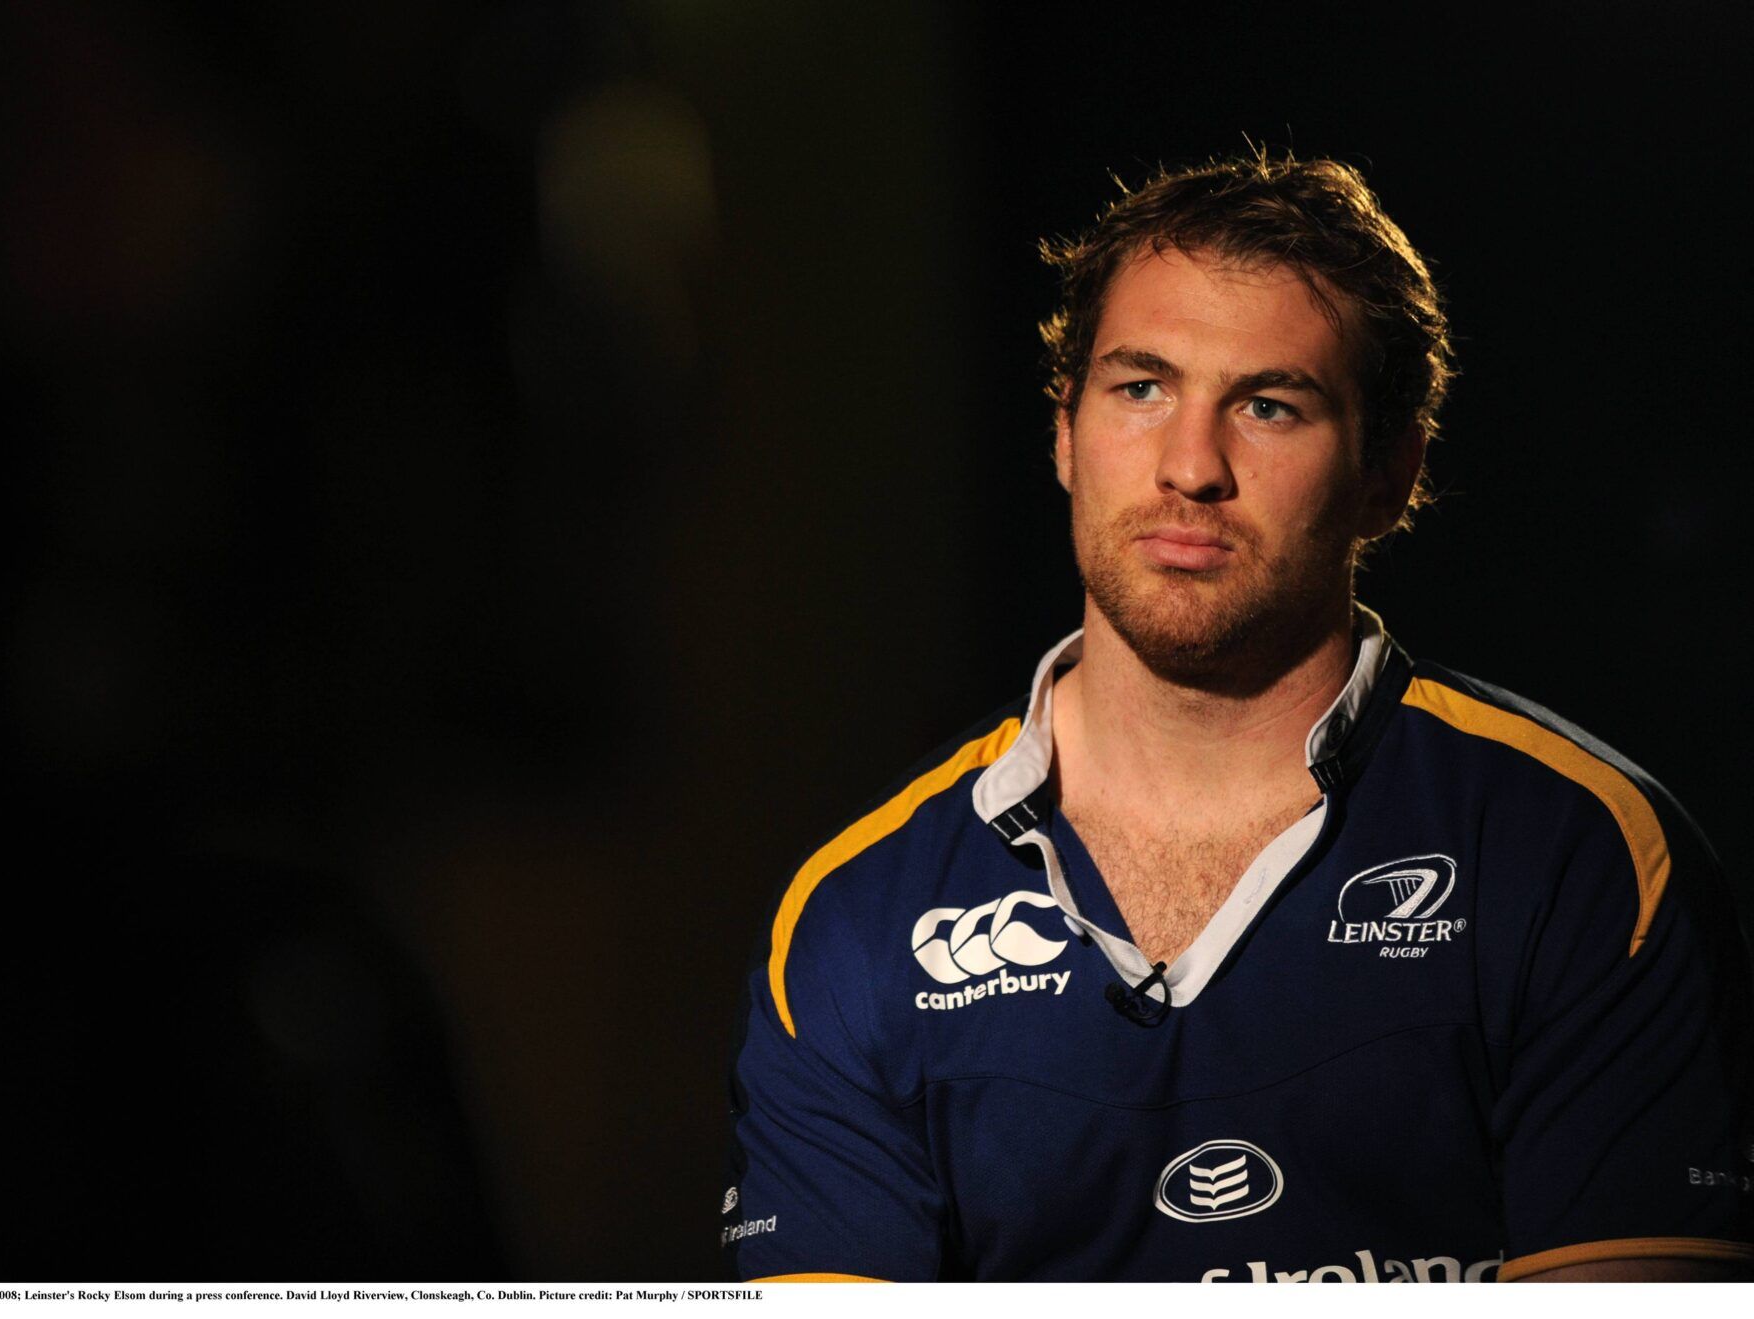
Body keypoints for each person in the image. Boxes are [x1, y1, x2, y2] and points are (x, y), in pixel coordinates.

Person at [719, 153, 1754, 1282]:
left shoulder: (1578, 853)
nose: (1190, 466)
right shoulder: (855, 916)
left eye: (1269, 405)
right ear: (1064, 431)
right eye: (1141, 388)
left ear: (1391, 473)